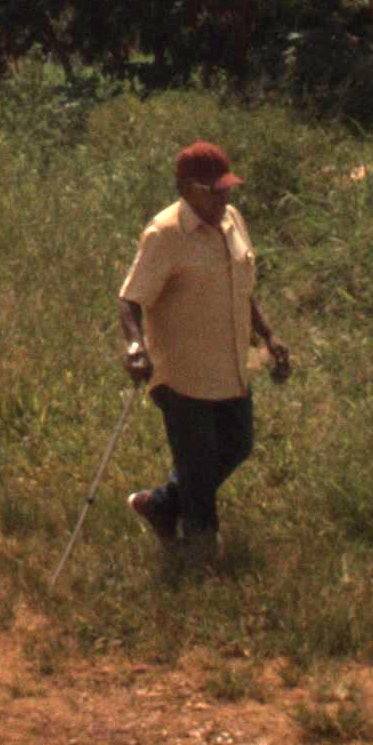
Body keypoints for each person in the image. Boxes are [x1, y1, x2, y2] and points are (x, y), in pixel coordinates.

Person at [116, 138, 291, 546]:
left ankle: (160, 504)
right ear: (186, 189)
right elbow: (130, 299)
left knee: (237, 445)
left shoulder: (232, 221)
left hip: (230, 367)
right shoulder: (164, 234)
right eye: (214, 191)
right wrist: (135, 347)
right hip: (183, 375)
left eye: (227, 189)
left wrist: (269, 335)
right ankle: (200, 552)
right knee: (197, 463)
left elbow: (242, 288)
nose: (223, 199)